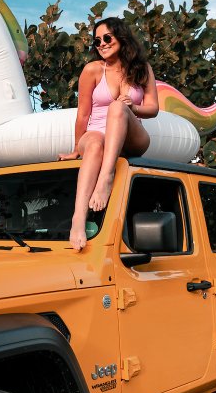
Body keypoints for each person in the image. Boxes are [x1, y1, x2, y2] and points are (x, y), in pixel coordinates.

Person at [57, 17, 159, 250]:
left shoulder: (142, 69)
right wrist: (75, 150)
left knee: (117, 107)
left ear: (121, 38)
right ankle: (78, 219)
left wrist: (132, 107)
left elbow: (153, 108)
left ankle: (106, 176)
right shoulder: (92, 70)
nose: (101, 44)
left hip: (131, 134)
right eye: (96, 41)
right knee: (93, 145)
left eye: (106, 38)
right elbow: (83, 115)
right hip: (97, 133)